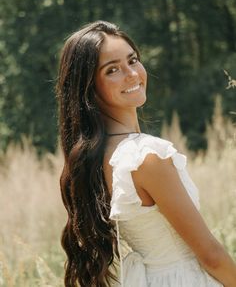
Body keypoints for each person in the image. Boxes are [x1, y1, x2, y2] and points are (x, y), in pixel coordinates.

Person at [55, 20, 236, 287]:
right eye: (112, 70)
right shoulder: (146, 156)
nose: (131, 74)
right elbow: (211, 256)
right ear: (89, 88)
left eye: (133, 60)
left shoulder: (98, 157)